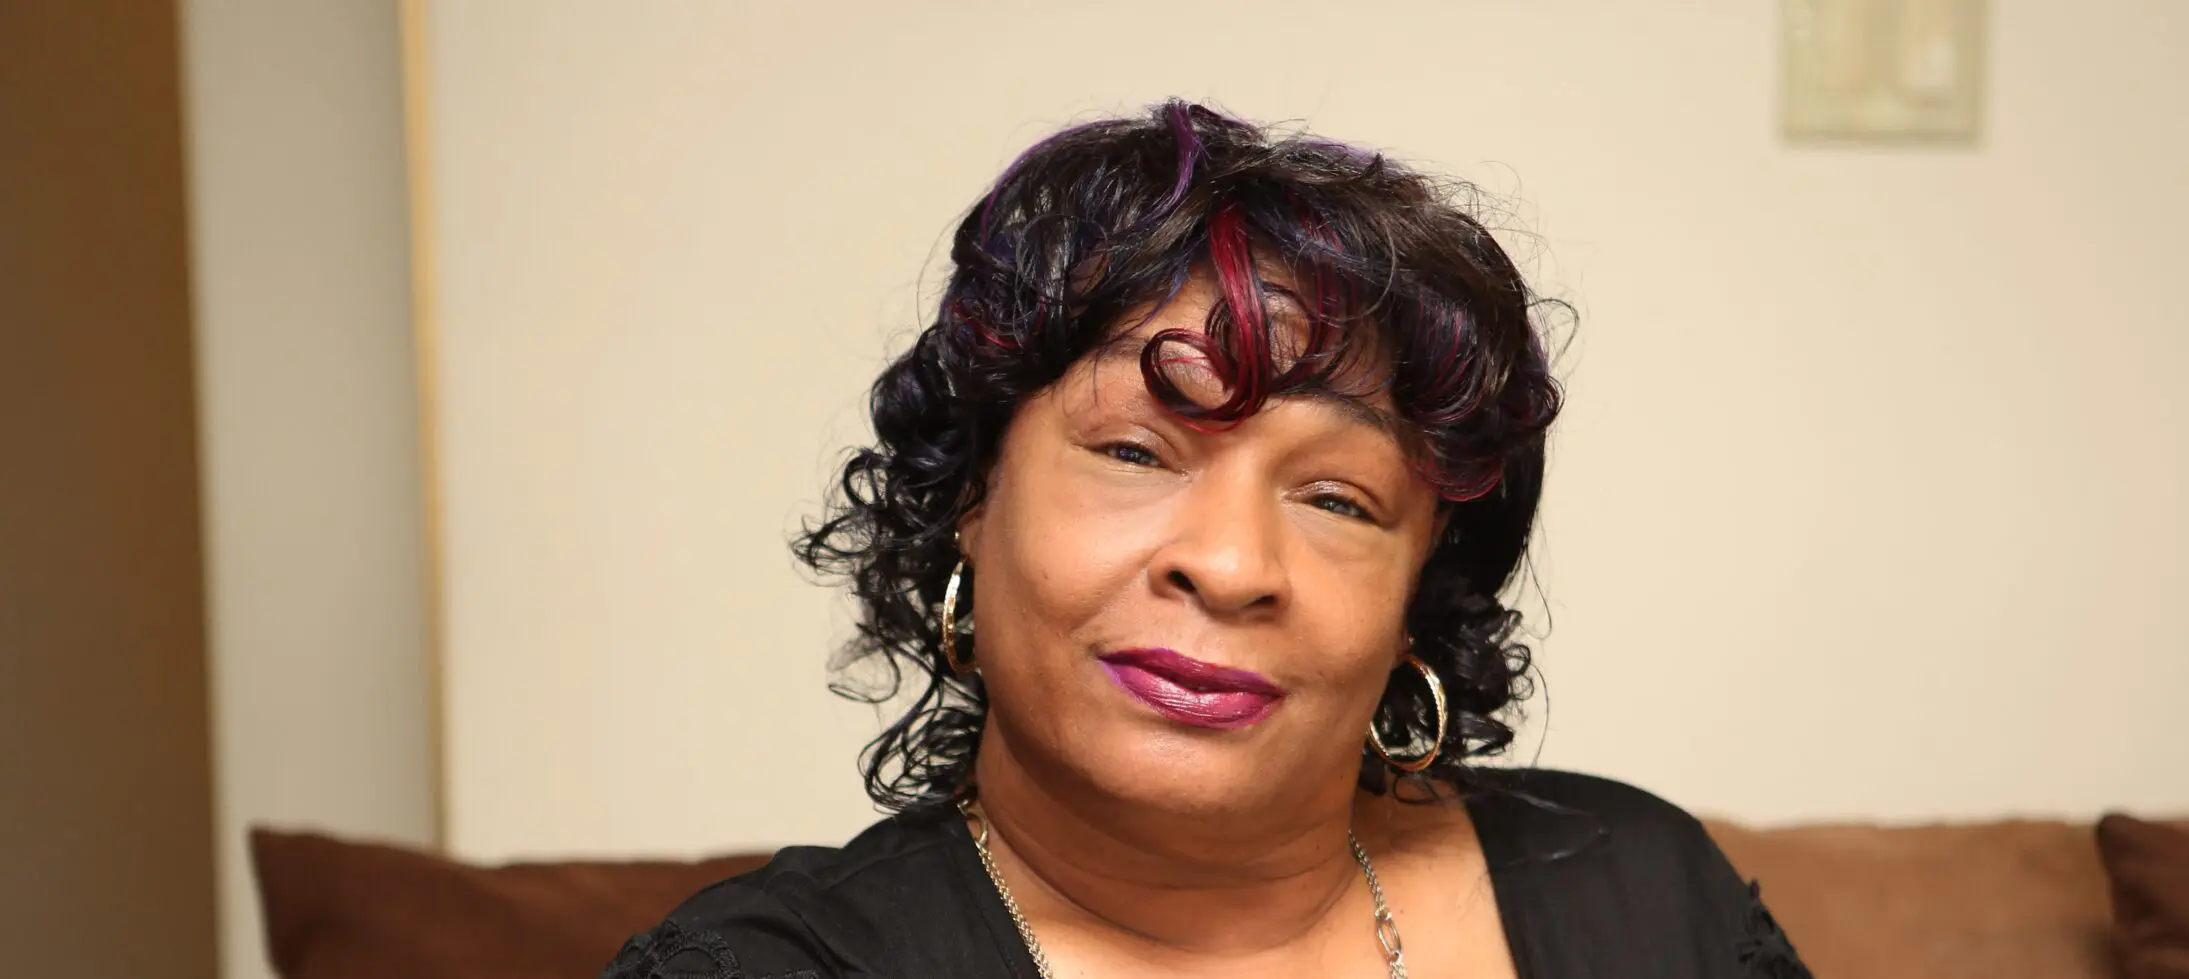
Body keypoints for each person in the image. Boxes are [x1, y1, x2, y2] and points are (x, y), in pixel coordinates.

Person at [603, 101, 1810, 979]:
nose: (1228, 565)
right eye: (1135, 453)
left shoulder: (1640, 894)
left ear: (1416, 595)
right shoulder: (770, 967)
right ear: (972, 489)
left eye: (1337, 499)